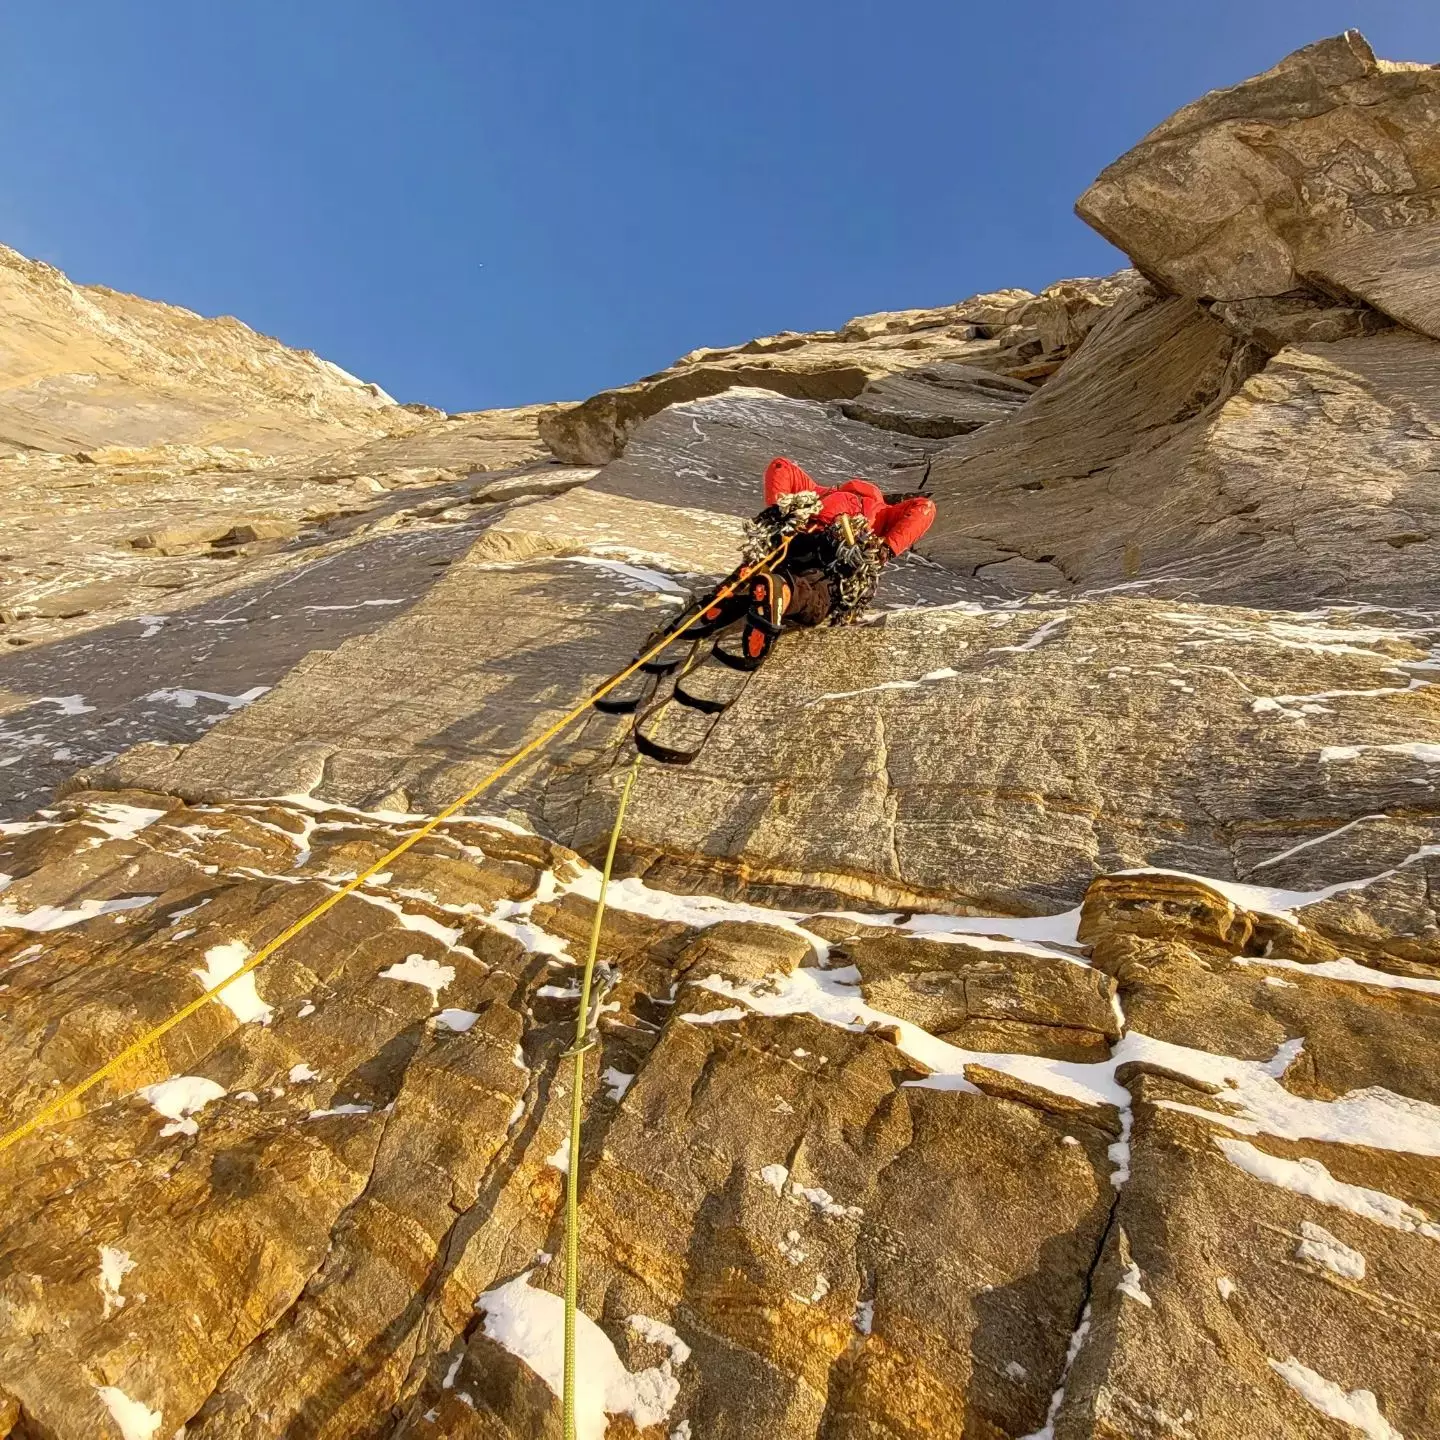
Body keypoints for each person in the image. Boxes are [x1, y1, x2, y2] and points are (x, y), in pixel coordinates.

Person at [693, 456, 937, 667]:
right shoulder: (882, 511)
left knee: (773, 562)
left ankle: (738, 587)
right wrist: (886, 548)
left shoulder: (820, 492)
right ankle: (782, 593)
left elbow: (780, 465)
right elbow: (924, 507)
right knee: (818, 600)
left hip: (795, 540)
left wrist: (779, 508)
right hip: (836, 554)